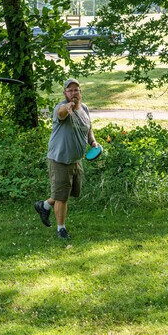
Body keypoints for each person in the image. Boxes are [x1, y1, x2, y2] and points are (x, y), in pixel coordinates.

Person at [34, 78, 99, 240]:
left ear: (80, 92)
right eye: (70, 90)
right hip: (60, 159)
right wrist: (68, 106)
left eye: (76, 90)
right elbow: (61, 114)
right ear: (65, 93)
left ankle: (44, 205)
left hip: (76, 159)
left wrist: (93, 142)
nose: (73, 93)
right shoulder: (61, 107)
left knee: (66, 191)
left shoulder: (84, 108)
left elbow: (88, 128)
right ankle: (61, 229)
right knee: (62, 196)